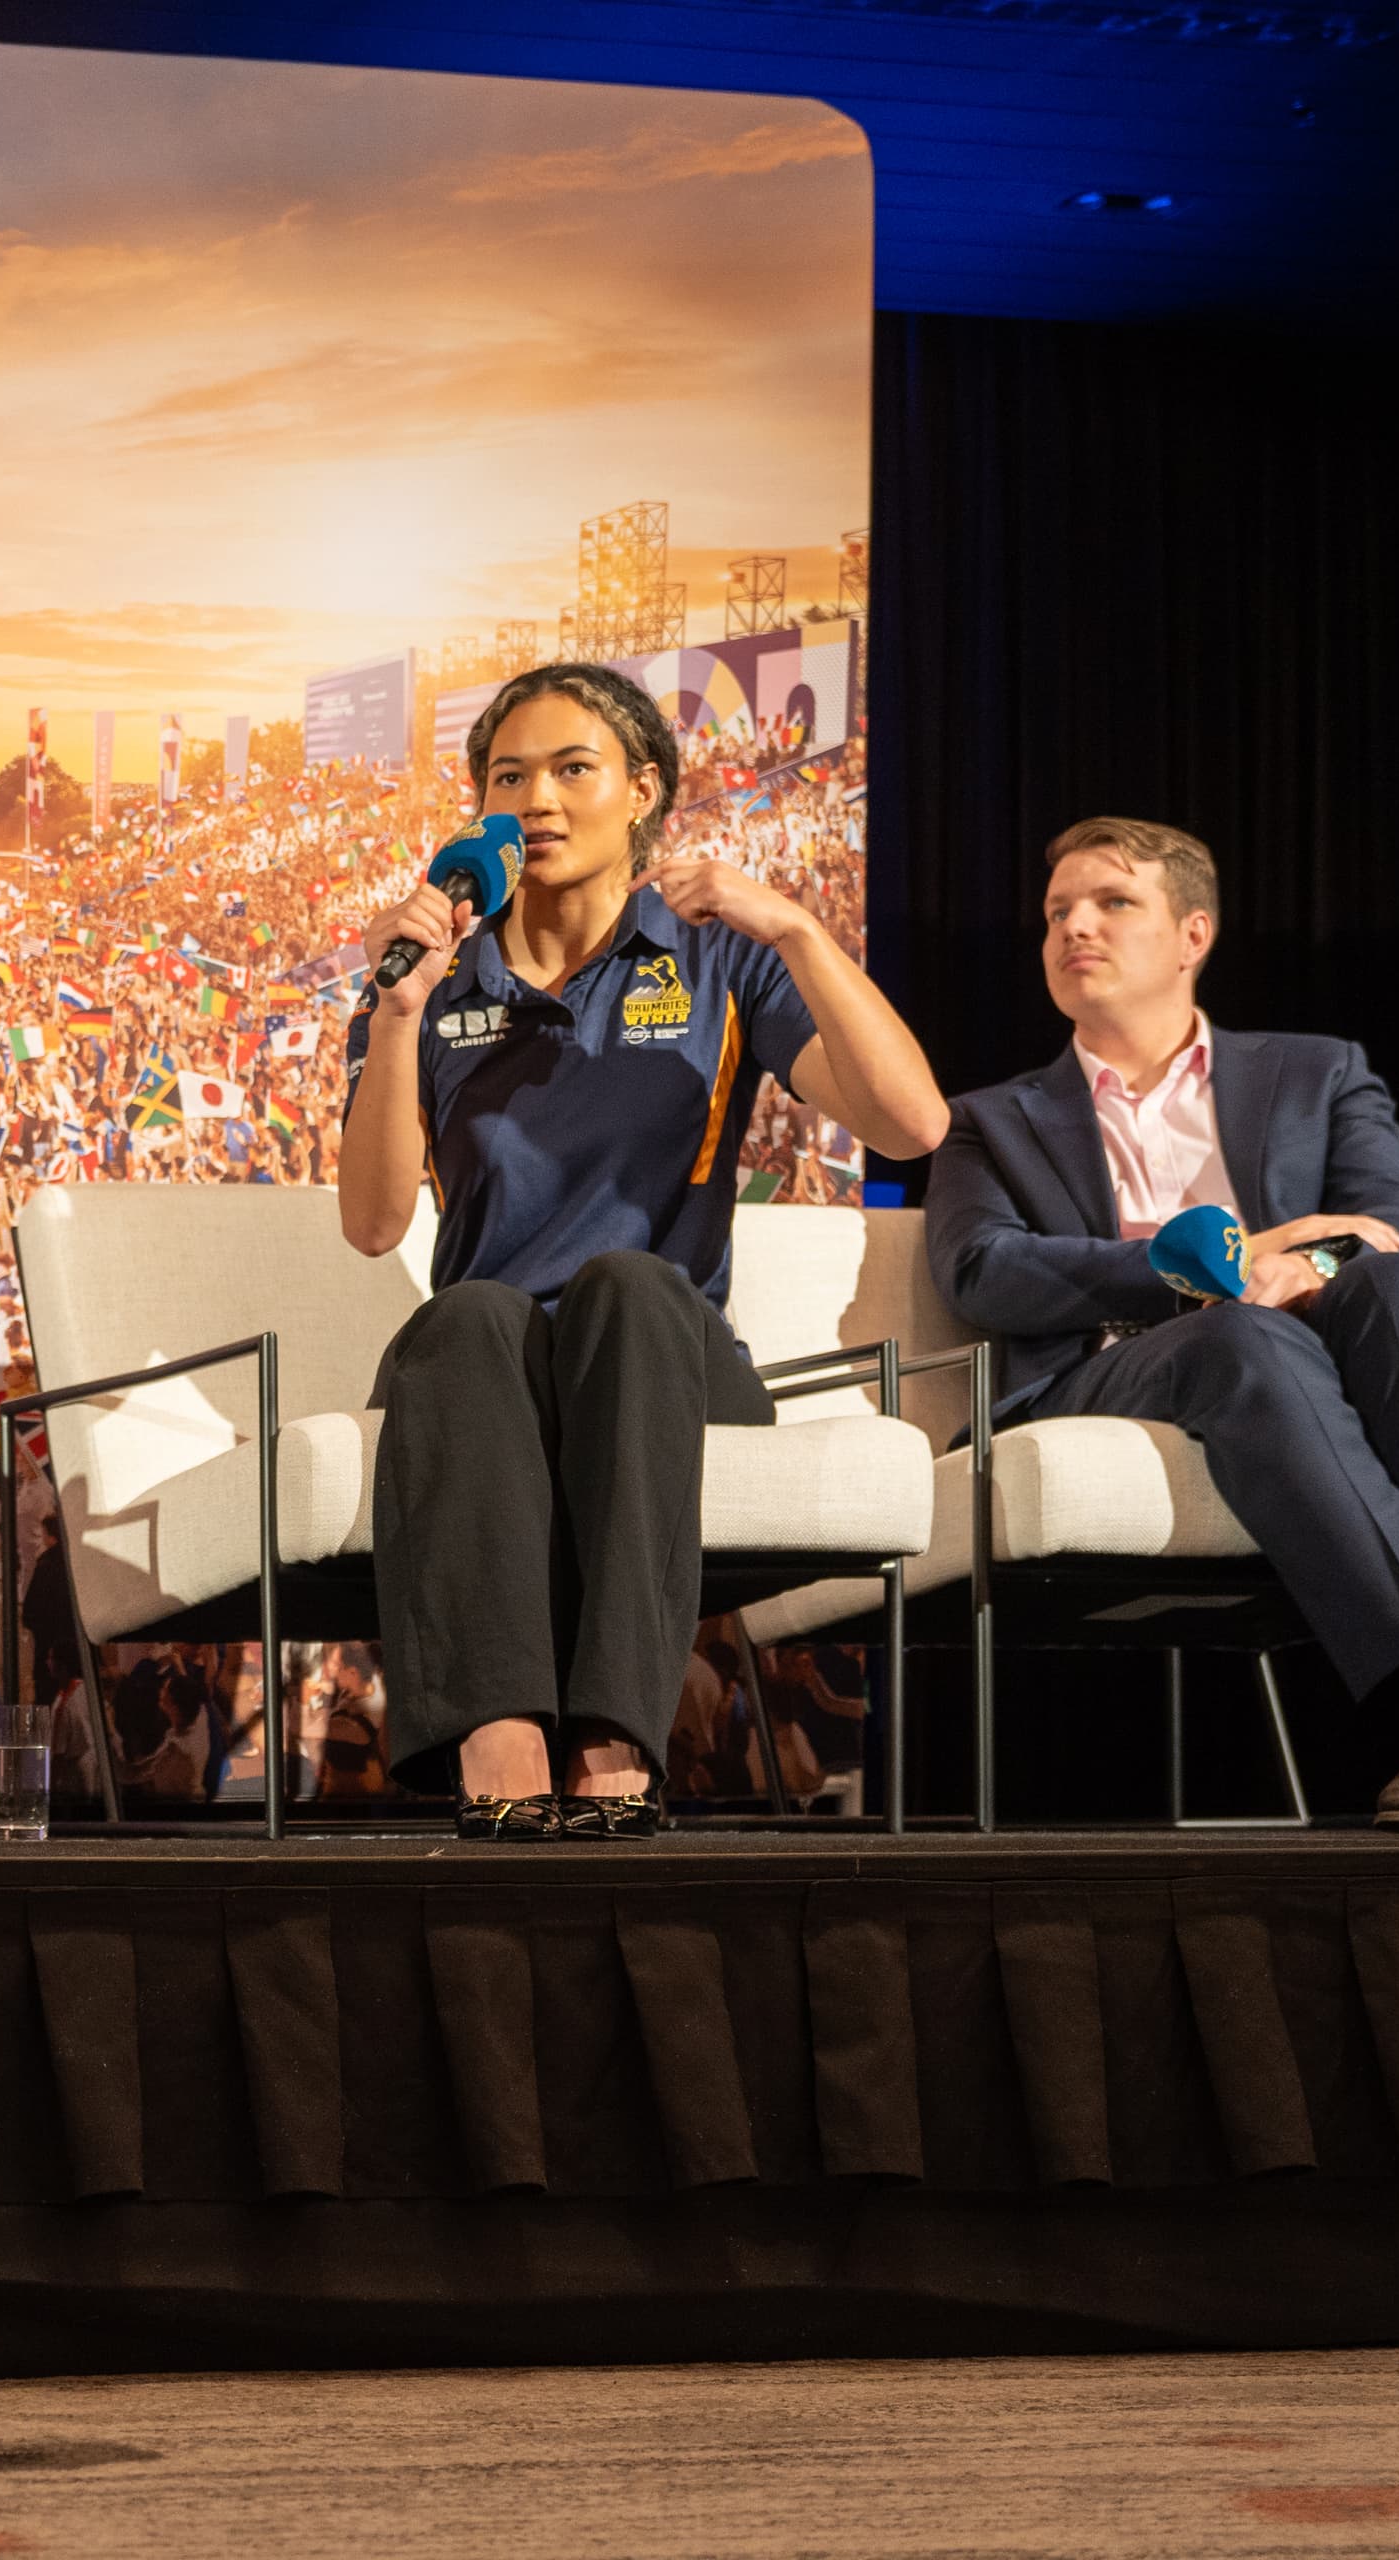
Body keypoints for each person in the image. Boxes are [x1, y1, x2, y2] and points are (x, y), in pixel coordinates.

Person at [338, 664, 950, 1840]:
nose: (541, 800)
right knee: (463, 1316)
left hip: (665, 1361)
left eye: (575, 769)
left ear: (644, 793)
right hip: (490, 1381)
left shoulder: (718, 959)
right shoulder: (436, 977)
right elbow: (372, 1224)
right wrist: (399, 1015)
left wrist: (798, 930)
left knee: (628, 1286)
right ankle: (500, 1734)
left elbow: (911, 1124)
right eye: (509, 778)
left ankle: (619, 1734)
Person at [925, 817, 1399, 1828]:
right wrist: (1225, 1263)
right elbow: (983, 1271)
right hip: (1113, 1369)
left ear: (1193, 933)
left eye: (1112, 903)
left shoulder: (1316, 1072)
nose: (1075, 929)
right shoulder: (991, 1118)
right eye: (1059, 911)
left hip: (1312, 1344)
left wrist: (1302, 1268)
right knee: (1243, 1330)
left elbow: (1395, 1236)